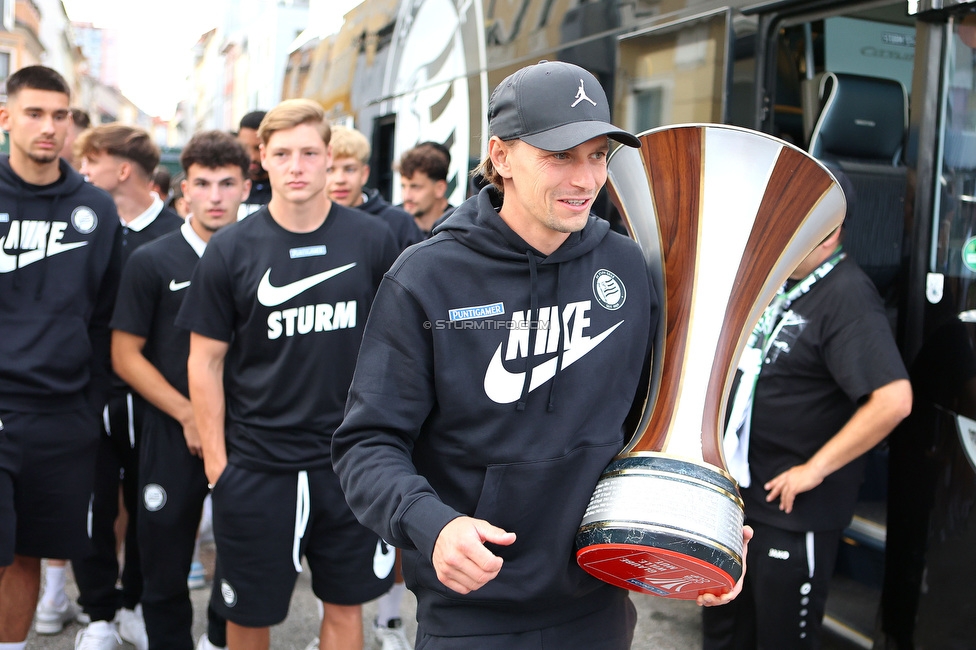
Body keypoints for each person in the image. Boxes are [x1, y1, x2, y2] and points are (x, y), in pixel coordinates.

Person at [332, 60, 746, 650]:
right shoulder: (426, 278)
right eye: (560, 156)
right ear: (500, 157)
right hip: (472, 610)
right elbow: (365, 443)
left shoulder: (628, 266)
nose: (585, 179)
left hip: (598, 603)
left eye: (598, 155)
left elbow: (655, 426)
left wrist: (704, 526)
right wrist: (435, 525)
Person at [176, 98, 398, 650]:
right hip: (255, 466)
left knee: (346, 609)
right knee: (248, 617)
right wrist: (218, 467)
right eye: (282, 153)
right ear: (262, 162)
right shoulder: (230, 249)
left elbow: (399, 350)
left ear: (329, 158)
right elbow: (203, 361)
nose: (296, 165)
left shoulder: (373, 241)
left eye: (308, 152)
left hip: (350, 462)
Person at [703, 210, 913, 648]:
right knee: (725, 633)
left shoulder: (848, 294)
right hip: (740, 501)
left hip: (793, 510)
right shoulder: (780, 279)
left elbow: (893, 400)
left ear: (829, 231)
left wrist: (815, 468)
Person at [111, 131, 250, 650]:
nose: (215, 196)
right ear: (183, 189)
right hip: (170, 431)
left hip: (248, 434)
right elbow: (124, 355)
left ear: (245, 187)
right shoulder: (151, 260)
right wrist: (190, 415)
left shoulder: (266, 255)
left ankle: (218, 640)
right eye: (203, 183)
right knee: (164, 564)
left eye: (227, 183)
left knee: (239, 559)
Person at [0, 64, 120, 650]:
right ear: (6, 118)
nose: (49, 127)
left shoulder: (96, 209)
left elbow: (104, 319)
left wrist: (87, 403)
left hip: (61, 417)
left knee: (25, 553)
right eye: (34, 113)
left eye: (60, 115)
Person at [74, 124, 184, 650]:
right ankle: (97, 610)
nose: (82, 171)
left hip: (153, 398)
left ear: (121, 169)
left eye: (89, 161)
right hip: (88, 393)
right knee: (91, 505)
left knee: (149, 509)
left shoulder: (174, 234)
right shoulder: (87, 225)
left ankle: (136, 603)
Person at [326, 125, 423, 250]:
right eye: (329, 170)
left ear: (364, 173)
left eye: (349, 169)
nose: (340, 179)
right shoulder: (305, 224)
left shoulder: (399, 223)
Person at [396, 141, 453, 236]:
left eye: (415, 187)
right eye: (403, 186)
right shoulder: (391, 224)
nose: (407, 196)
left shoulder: (459, 225)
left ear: (440, 188)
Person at [236, 110, 272, 218]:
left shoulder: (286, 188)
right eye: (245, 148)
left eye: (258, 148)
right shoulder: (227, 186)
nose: (252, 157)